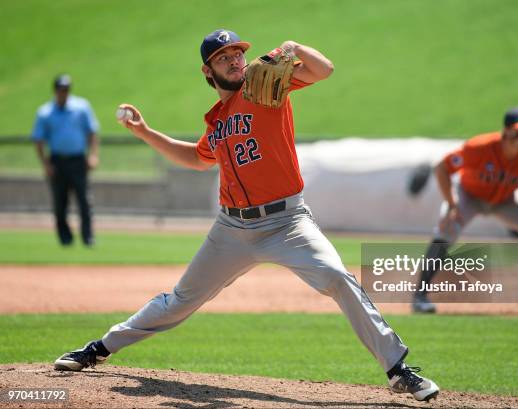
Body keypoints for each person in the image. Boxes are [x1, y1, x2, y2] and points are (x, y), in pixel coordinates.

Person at [52, 29, 439, 402]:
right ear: (208, 70)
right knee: (180, 301)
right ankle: (99, 348)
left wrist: (293, 46)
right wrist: (146, 132)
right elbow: (195, 158)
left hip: (287, 222)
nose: (235, 59)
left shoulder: (263, 86)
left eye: (237, 52)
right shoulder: (218, 120)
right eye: (224, 57)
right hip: (232, 229)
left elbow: (324, 70)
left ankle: (398, 369)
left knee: (337, 277)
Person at [412, 107, 518, 314]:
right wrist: (452, 204)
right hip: (469, 195)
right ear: (506, 131)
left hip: (505, 200)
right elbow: (441, 167)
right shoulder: (479, 147)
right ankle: (419, 296)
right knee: (446, 229)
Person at [32, 74, 99, 246]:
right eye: (61, 89)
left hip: (78, 160)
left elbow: (92, 132)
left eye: (67, 89)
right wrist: (45, 164)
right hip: (57, 161)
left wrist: (92, 155)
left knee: (84, 200)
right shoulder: (45, 112)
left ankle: (88, 237)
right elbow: (38, 140)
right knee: (60, 202)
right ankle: (65, 238)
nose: (64, 92)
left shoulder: (81, 107)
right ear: (55, 91)